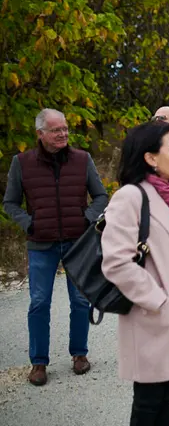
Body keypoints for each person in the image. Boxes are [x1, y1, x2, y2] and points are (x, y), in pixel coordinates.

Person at [100, 120, 169, 426]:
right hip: (152, 317)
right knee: (148, 406)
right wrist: (158, 300)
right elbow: (116, 262)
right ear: (150, 157)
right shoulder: (130, 197)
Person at [2, 108, 108, 386]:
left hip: (78, 243)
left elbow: (101, 196)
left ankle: (79, 354)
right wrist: (29, 224)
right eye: (56, 130)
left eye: (65, 129)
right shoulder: (21, 163)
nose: (63, 134)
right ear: (40, 133)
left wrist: (86, 218)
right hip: (41, 244)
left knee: (80, 301)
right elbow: (10, 203)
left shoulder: (82, 159)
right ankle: (38, 362)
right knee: (39, 302)